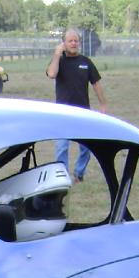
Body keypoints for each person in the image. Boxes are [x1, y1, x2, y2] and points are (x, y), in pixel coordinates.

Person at [45, 28, 108, 182]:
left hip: (83, 112)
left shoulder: (86, 62)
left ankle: (79, 174)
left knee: (86, 148)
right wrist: (57, 54)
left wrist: (103, 104)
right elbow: (51, 74)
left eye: (76, 41)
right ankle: (63, 177)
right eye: (70, 41)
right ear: (64, 43)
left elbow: (96, 84)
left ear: (79, 43)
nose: (73, 43)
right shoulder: (59, 61)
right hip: (62, 112)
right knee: (62, 147)